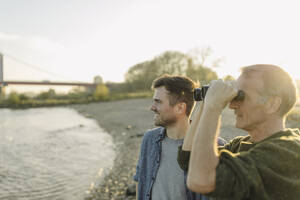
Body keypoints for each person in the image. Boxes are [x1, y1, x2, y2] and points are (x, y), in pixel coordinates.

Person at [178, 64, 300, 199]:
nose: (232, 105)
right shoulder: (241, 145)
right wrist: (205, 102)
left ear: (272, 104)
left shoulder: (287, 152)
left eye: (240, 96)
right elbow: (188, 160)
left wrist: (213, 107)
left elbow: (201, 180)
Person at [134, 74, 226, 200]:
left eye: (158, 102)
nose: (152, 107)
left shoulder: (214, 147)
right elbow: (140, 180)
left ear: (180, 108)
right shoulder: (149, 139)